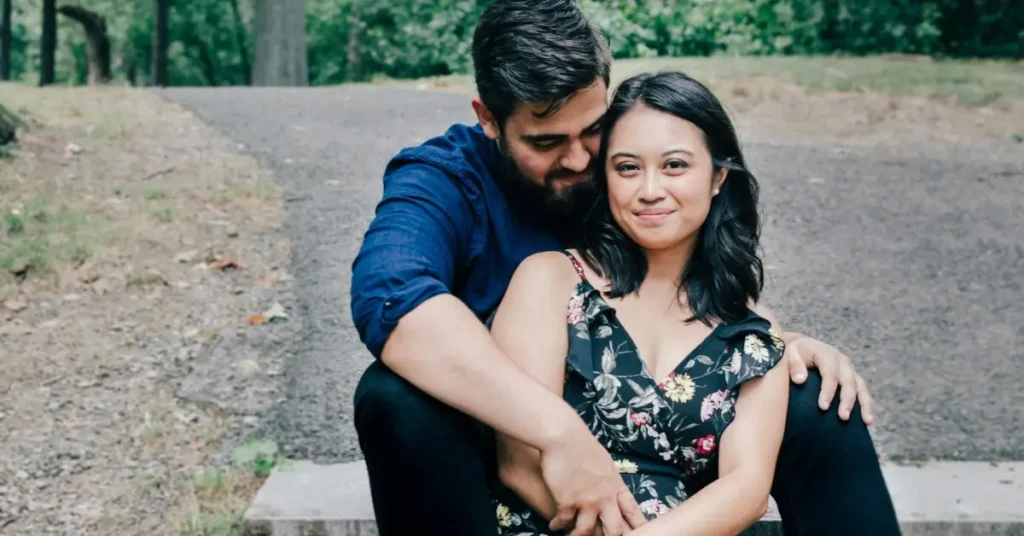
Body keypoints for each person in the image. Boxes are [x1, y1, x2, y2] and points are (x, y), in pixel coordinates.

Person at [350, 1, 900, 534]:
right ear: (488, 119)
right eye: (546, 142)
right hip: (509, 444)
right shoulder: (447, 183)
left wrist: (771, 345)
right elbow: (394, 298)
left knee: (817, 393)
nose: (579, 160)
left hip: (667, 455)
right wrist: (559, 431)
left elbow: (680, 270)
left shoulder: (624, 171)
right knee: (394, 397)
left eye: (592, 131)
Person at [489, 69, 791, 536]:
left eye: (674, 166)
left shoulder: (750, 334)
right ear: (605, 179)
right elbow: (520, 463)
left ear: (718, 177)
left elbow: (747, 489)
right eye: (628, 168)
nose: (650, 190)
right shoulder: (549, 281)